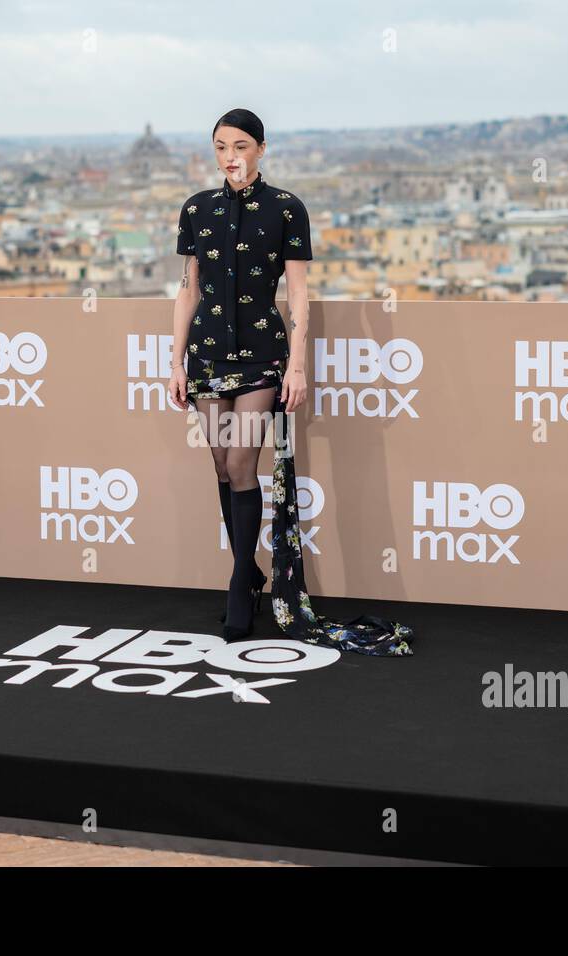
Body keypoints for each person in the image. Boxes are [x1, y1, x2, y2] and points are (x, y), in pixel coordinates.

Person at [167, 108, 413, 657]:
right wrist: (176, 360)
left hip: (261, 353)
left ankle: (238, 583)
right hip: (207, 351)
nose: (230, 156)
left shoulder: (286, 208)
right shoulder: (195, 210)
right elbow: (188, 289)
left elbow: (298, 293)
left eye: (240, 146)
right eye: (220, 147)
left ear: (261, 149)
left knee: (239, 462)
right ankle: (248, 570)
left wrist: (296, 365)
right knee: (218, 464)